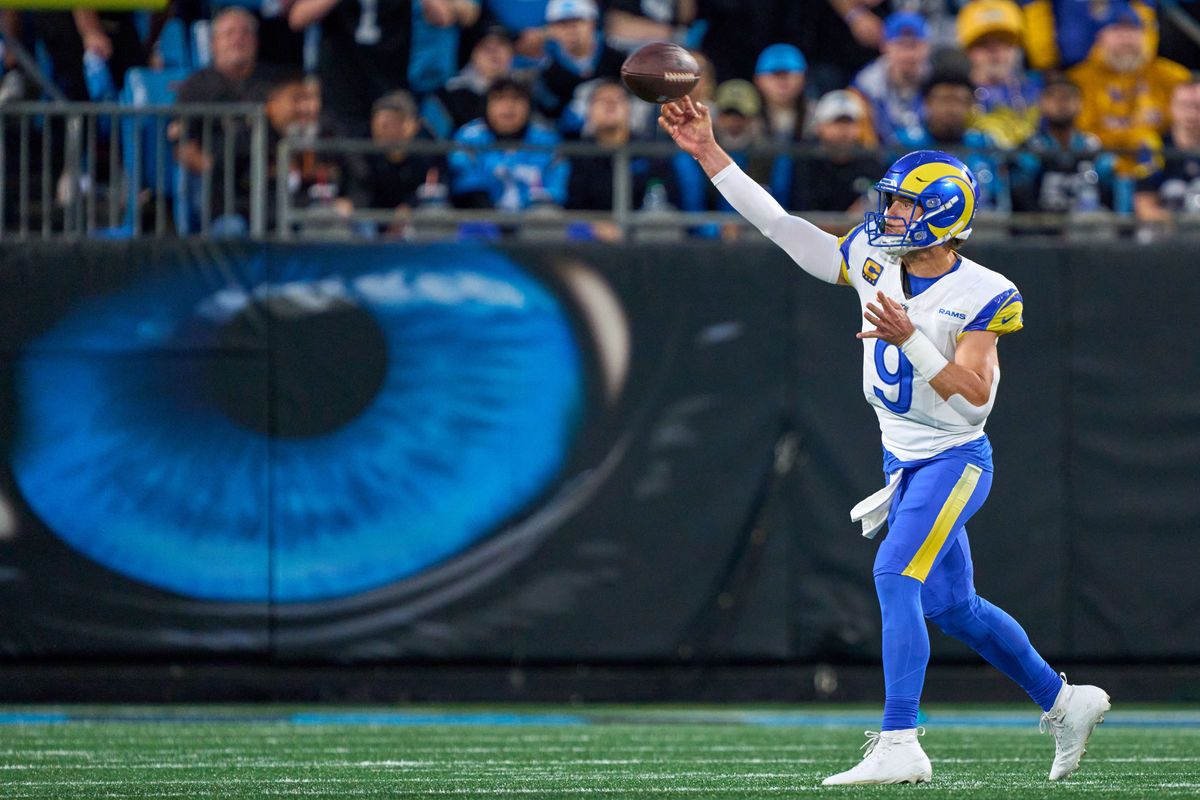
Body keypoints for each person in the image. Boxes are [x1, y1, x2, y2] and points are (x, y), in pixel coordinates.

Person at [658, 93, 1111, 786]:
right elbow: (784, 228)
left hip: (955, 458)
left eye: (902, 204)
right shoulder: (874, 257)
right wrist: (711, 156)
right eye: (891, 201)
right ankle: (1063, 699)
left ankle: (901, 740)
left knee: (895, 574)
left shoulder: (985, 290)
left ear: (941, 214)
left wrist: (914, 343)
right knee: (950, 605)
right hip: (903, 461)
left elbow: (975, 400)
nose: (888, 213)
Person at [1067, 3, 1189, 178]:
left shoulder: (1172, 77)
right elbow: (1082, 131)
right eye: (1117, 30)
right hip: (1097, 168)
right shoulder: (1079, 79)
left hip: (1163, 167)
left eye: (1133, 30)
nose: (1126, 38)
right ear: (1100, 36)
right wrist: (1135, 139)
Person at [565, 80, 677, 240]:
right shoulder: (575, 155)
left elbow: (667, 201)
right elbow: (569, 207)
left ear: (629, 110)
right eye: (602, 100)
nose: (610, 104)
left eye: (618, 99)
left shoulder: (650, 152)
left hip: (642, 238)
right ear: (589, 112)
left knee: (662, 223)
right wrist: (594, 226)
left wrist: (629, 229)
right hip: (590, 237)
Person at [288, 0, 415, 137]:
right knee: (342, 145)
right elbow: (297, 18)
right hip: (342, 83)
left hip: (389, 82)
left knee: (392, 146)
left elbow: (441, 17)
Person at [448, 77, 569, 210]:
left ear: (529, 106)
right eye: (499, 99)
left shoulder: (548, 140)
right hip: (482, 219)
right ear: (486, 105)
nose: (509, 106)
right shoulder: (468, 137)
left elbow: (557, 187)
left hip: (536, 221)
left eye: (517, 99)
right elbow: (467, 185)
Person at [1010, 72, 1114, 215]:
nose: (1061, 103)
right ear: (1042, 103)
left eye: (1068, 97)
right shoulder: (1031, 147)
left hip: (1087, 226)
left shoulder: (1093, 146)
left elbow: (1108, 188)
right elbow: (1020, 191)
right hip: (1042, 226)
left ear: (1080, 104)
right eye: (1053, 97)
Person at [900, 70, 1003, 210]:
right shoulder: (905, 145)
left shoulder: (983, 144)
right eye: (945, 99)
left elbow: (998, 199)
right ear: (927, 102)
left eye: (960, 101)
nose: (952, 109)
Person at [348, 90, 446, 235]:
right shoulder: (362, 154)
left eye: (396, 123)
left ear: (414, 125)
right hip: (375, 220)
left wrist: (408, 206)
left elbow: (437, 188)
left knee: (434, 212)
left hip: (415, 218)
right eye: (383, 124)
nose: (389, 131)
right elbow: (360, 193)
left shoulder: (429, 153)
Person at [533, 0, 625, 133]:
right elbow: (549, 116)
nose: (571, 30)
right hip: (574, 143)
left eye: (577, 21)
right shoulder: (548, 73)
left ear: (592, 23)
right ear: (552, 29)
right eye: (562, 24)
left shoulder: (617, 58)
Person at [958, 0, 1039, 149]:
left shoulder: (1036, 90)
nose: (995, 52)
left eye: (1004, 42)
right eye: (984, 44)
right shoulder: (957, 95)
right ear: (967, 51)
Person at [791, 90, 886, 215]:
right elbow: (802, 217)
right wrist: (846, 221)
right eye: (837, 122)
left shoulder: (870, 162)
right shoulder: (806, 162)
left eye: (850, 122)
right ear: (819, 126)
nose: (844, 130)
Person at [420, 25, 515, 139]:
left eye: (501, 45)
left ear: (512, 53)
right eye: (485, 47)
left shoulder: (528, 90)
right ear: (472, 54)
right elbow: (435, 143)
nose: (493, 52)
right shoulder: (447, 96)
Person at [853, 12, 932, 146]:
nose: (908, 54)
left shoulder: (937, 79)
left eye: (914, 45)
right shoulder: (866, 84)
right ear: (884, 47)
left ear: (927, 47)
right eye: (900, 45)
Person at [1020, 0, 1156, 71]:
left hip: (1123, 64)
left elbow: (1145, 12)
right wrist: (1046, 62)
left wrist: (1145, 54)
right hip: (1068, 67)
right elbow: (1036, 11)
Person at [1135, 78, 1200, 224]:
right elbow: (1144, 206)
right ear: (1172, 107)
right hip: (1167, 233)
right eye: (1184, 106)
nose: (1191, 113)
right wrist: (1182, 224)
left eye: (1197, 107)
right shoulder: (1154, 145)